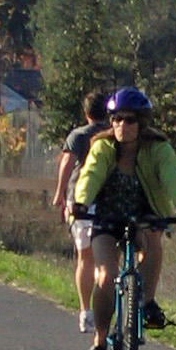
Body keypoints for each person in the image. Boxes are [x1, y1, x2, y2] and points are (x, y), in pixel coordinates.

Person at [72, 87, 176, 350]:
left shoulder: (158, 148)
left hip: (144, 215)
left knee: (151, 239)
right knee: (106, 276)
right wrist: (81, 202)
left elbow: (172, 177)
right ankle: (99, 343)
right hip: (107, 218)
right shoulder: (102, 147)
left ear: (142, 122)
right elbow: (91, 173)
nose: (122, 126)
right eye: (117, 120)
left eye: (130, 120)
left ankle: (147, 301)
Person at [52, 90, 107, 333]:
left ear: (86, 114)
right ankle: (108, 305)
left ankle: (86, 311)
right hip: (107, 198)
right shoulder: (113, 135)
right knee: (107, 257)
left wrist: (60, 194)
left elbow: (66, 164)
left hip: (82, 200)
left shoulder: (79, 135)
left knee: (85, 255)